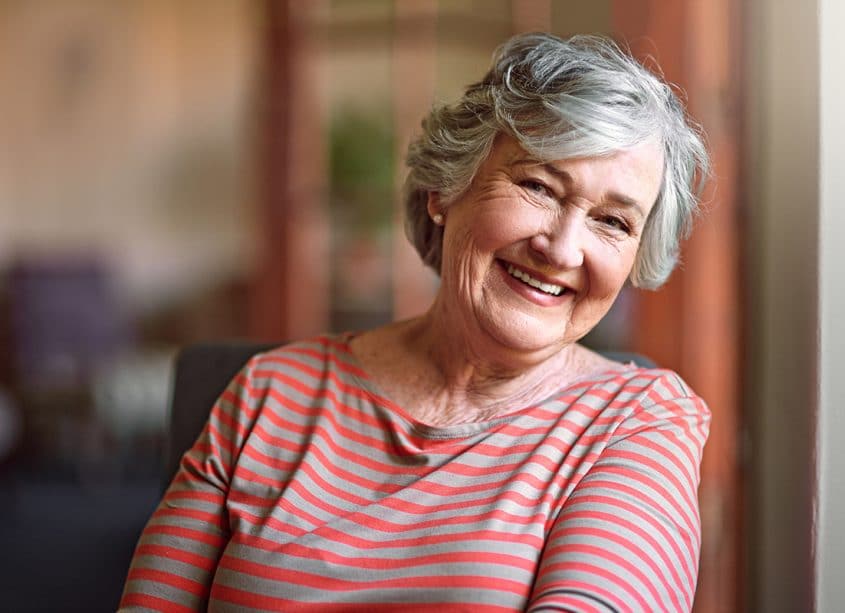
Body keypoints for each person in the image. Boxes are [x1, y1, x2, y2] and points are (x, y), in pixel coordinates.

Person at [120, 32, 710, 612]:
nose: (562, 249)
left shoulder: (638, 424)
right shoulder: (267, 394)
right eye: (537, 186)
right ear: (443, 191)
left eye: (612, 222)